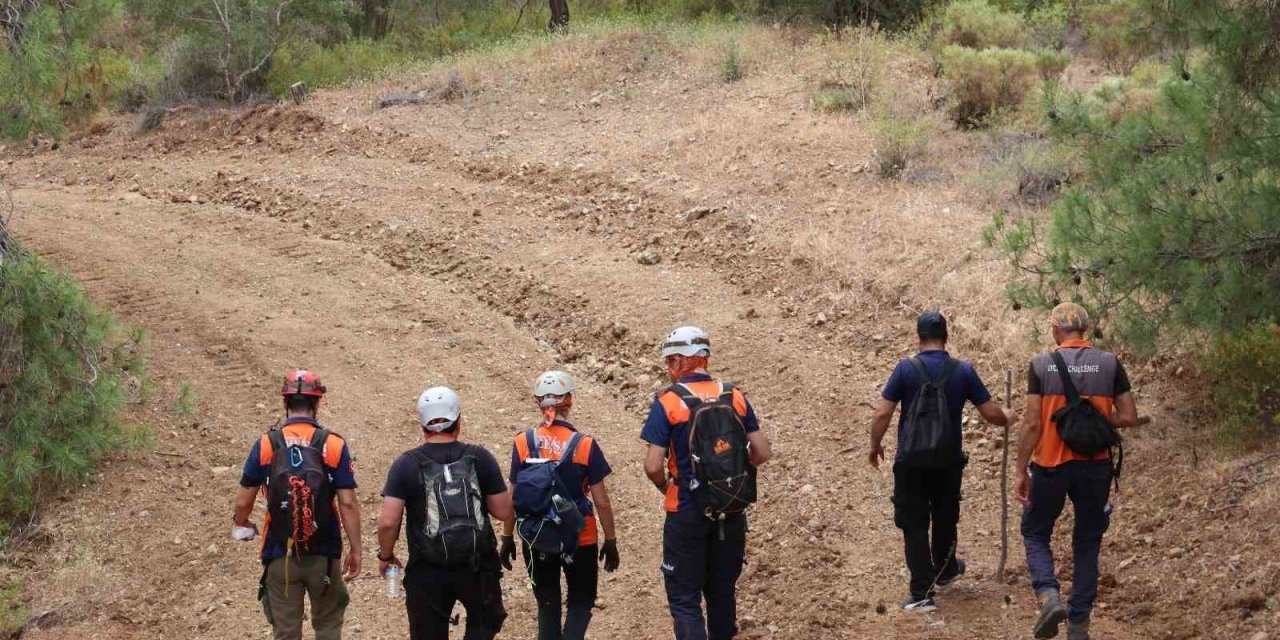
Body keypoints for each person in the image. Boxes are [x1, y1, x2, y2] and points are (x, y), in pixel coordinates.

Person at [868, 311, 1014, 612]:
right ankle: (945, 570)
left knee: (914, 522)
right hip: (948, 461)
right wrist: (1007, 416)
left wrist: (875, 444)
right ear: (947, 337)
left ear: (918, 337)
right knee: (946, 514)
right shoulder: (963, 371)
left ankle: (922, 592)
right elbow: (991, 414)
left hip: (911, 461)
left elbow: (882, 412)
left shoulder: (905, 369)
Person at [1015, 303, 1139, 640]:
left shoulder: (1041, 365)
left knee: (1036, 531)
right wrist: (1099, 419)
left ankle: (1049, 596)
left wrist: (1020, 470)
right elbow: (1128, 416)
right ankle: (1079, 625)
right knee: (1087, 541)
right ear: (1085, 329)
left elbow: (1031, 424)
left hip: (1051, 465)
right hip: (1095, 467)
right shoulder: (1110, 363)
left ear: (1056, 329)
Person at [640, 326, 772, 640]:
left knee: (685, 600)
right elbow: (763, 452)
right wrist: (733, 473)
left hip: (686, 510)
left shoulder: (669, 402)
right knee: (722, 593)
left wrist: (667, 486)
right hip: (730, 507)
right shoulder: (733, 395)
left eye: (669, 361)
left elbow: (653, 466)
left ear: (677, 361)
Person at [232, 369, 361, 640]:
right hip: (324, 554)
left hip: (281, 554)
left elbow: (244, 500)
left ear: (285, 403)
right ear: (317, 403)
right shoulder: (334, 445)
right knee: (327, 627)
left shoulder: (266, 444)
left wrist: (241, 523)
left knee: (286, 633)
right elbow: (347, 503)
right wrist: (355, 550)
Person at [377, 385, 513, 640]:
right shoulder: (480, 457)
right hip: (478, 566)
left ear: (423, 426)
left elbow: (388, 521)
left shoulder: (405, 464)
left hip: (428, 569)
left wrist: (386, 556)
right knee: (485, 624)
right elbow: (503, 511)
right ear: (458, 421)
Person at [501, 370, 620, 640]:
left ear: (538, 402)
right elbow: (601, 500)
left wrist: (507, 536)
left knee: (547, 604)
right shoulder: (585, 445)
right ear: (570, 401)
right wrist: (611, 539)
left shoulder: (523, 442)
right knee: (580, 601)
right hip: (581, 536)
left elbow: (513, 495)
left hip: (535, 535)